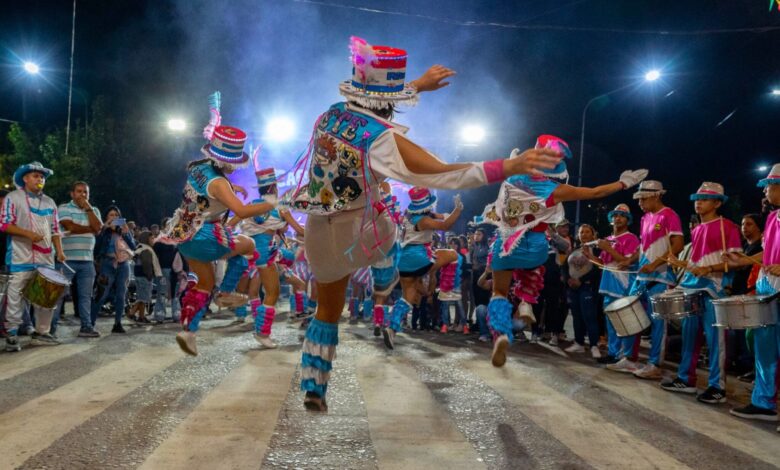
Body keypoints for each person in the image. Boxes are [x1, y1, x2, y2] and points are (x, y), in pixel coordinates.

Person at [287, 36, 563, 411]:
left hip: (318, 228)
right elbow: (443, 173)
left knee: (327, 312)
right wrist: (507, 166)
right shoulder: (382, 140)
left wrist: (417, 84)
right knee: (387, 226)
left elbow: (371, 102)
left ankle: (314, 386)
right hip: (360, 230)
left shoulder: (330, 115)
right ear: (390, 100)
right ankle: (384, 275)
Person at [481, 135, 647, 367]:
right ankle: (526, 302)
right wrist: (623, 183)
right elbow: (594, 192)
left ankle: (501, 334)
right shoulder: (555, 189)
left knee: (499, 291)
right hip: (535, 246)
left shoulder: (513, 178)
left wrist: (515, 162)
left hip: (506, 242)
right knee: (531, 271)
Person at [161, 95, 275, 356]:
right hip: (204, 235)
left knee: (204, 283)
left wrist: (231, 188)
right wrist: (269, 203)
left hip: (183, 233)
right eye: (235, 164)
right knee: (249, 245)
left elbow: (211, 186)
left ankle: (188, 331)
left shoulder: (200, 167)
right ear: (227, 162)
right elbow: (242, 211)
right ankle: (226, 293)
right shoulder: (220, 184)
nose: (236, 168)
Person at [660, 182, 741, 404]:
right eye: (697, 199)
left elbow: (736, 262)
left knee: (716, 340)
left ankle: (717, 387)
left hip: (714, 289)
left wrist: (710, 269)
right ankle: (686, 378)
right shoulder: (696, 230)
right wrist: (681, 263)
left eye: (704, 199)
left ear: (717, 203)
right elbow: (697, 263)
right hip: (693, 288)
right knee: (689, 336)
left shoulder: (727, 227)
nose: (699, 203)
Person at [225, 166, 305, 348]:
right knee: (272, 293)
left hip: (256, 253)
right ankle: (262, 333)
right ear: (274, 188)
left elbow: (230, 225)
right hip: (266, 254)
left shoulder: (250, 206)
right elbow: (299, 230)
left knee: (268, 285)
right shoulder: (280, 207)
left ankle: (261, 329)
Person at [727, 164, 780, 425]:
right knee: (764, 348)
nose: (765, 191)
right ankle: (763, 402)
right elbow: (767, 253)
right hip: (767, 286)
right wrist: (743, 260)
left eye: (769, 186)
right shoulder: (772, 217)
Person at [621, 180, 684, 379]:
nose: (640, 203)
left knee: (658, 324)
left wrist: (655, 264)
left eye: (643, 198)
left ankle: (655, 364)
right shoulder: (644, 218)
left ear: (656, 195)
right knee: (630, 314)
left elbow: (678, 245)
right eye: (639, 199)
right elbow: (643, 246)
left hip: (661, 277)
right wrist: (629, 261)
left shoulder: (669, 215)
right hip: (642, 276)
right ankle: (629, 358)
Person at [0, 162, 66, 351]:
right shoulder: (13, 198)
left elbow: (55, 230)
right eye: (36, 176)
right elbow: (4, 225)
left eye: (42, 177)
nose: (40, 179)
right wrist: (28, 234)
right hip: (20, 257)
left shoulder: (50, 202)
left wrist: (60, 251)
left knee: (46, 297)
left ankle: (42, 333)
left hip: (45, 259)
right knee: (16, 298)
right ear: (25, 178)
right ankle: (12, 335)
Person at [388, 187, 462, 348]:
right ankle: (448, 290)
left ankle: (391, 328)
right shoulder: (423, 220)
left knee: (408, 296)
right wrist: (458, 209)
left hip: (403, 260)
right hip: (419, 257)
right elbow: (445, 226)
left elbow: (441, 216)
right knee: (453, 255)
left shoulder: (409, 214)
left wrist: (448, 214)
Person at [585, 204, 640, 367]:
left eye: (622, 216)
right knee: (611, 322)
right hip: (608, 286)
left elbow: (626, 262)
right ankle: (613, 353)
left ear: (628, 220)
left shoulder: (631, 238)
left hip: (623, 286)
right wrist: (589, 256)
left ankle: (625, 356)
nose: (618, 218)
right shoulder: (608, 240)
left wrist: (607, 248)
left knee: (624, 322)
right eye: (615, 215)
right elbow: (603, 263)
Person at [52, 181, 102, 338]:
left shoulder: (93, 210)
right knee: (58, 295)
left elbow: (98, 228)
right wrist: (90, 229)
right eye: (79, 191)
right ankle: (50, 329)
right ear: (72, 194)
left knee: (86, 297)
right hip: (66, 259)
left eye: (86, 192)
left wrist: (88, 208)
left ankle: (86, 327)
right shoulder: (63, 208)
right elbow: (70, 227)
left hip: (87, 261)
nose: (83, 195)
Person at [91, 205, 136, 333]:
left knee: (121, 295)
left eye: (116, 215)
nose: (114, 217)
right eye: (111, 215)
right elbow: (96, 247)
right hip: (107, 264)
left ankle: (117, 324)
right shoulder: (103, 230)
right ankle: (90, 323)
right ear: (106, 217)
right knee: (101, 294)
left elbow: (133, 246)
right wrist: (104, 228)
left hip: (123, 265)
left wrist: (125, 232)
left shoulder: (124, 230)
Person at [563, 224, 602, 359]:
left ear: (593, 234)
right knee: (577, 316)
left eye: (587, 232)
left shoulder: (596, 250)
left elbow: (598, 269)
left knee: (589, 317)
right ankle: (579, 343)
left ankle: (594, 345)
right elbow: (564, 266)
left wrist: (581, 280)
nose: (584, 234)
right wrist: (568, 280)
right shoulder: (574, 249)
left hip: (587, 288)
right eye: (581, 232)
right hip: (573, 289)